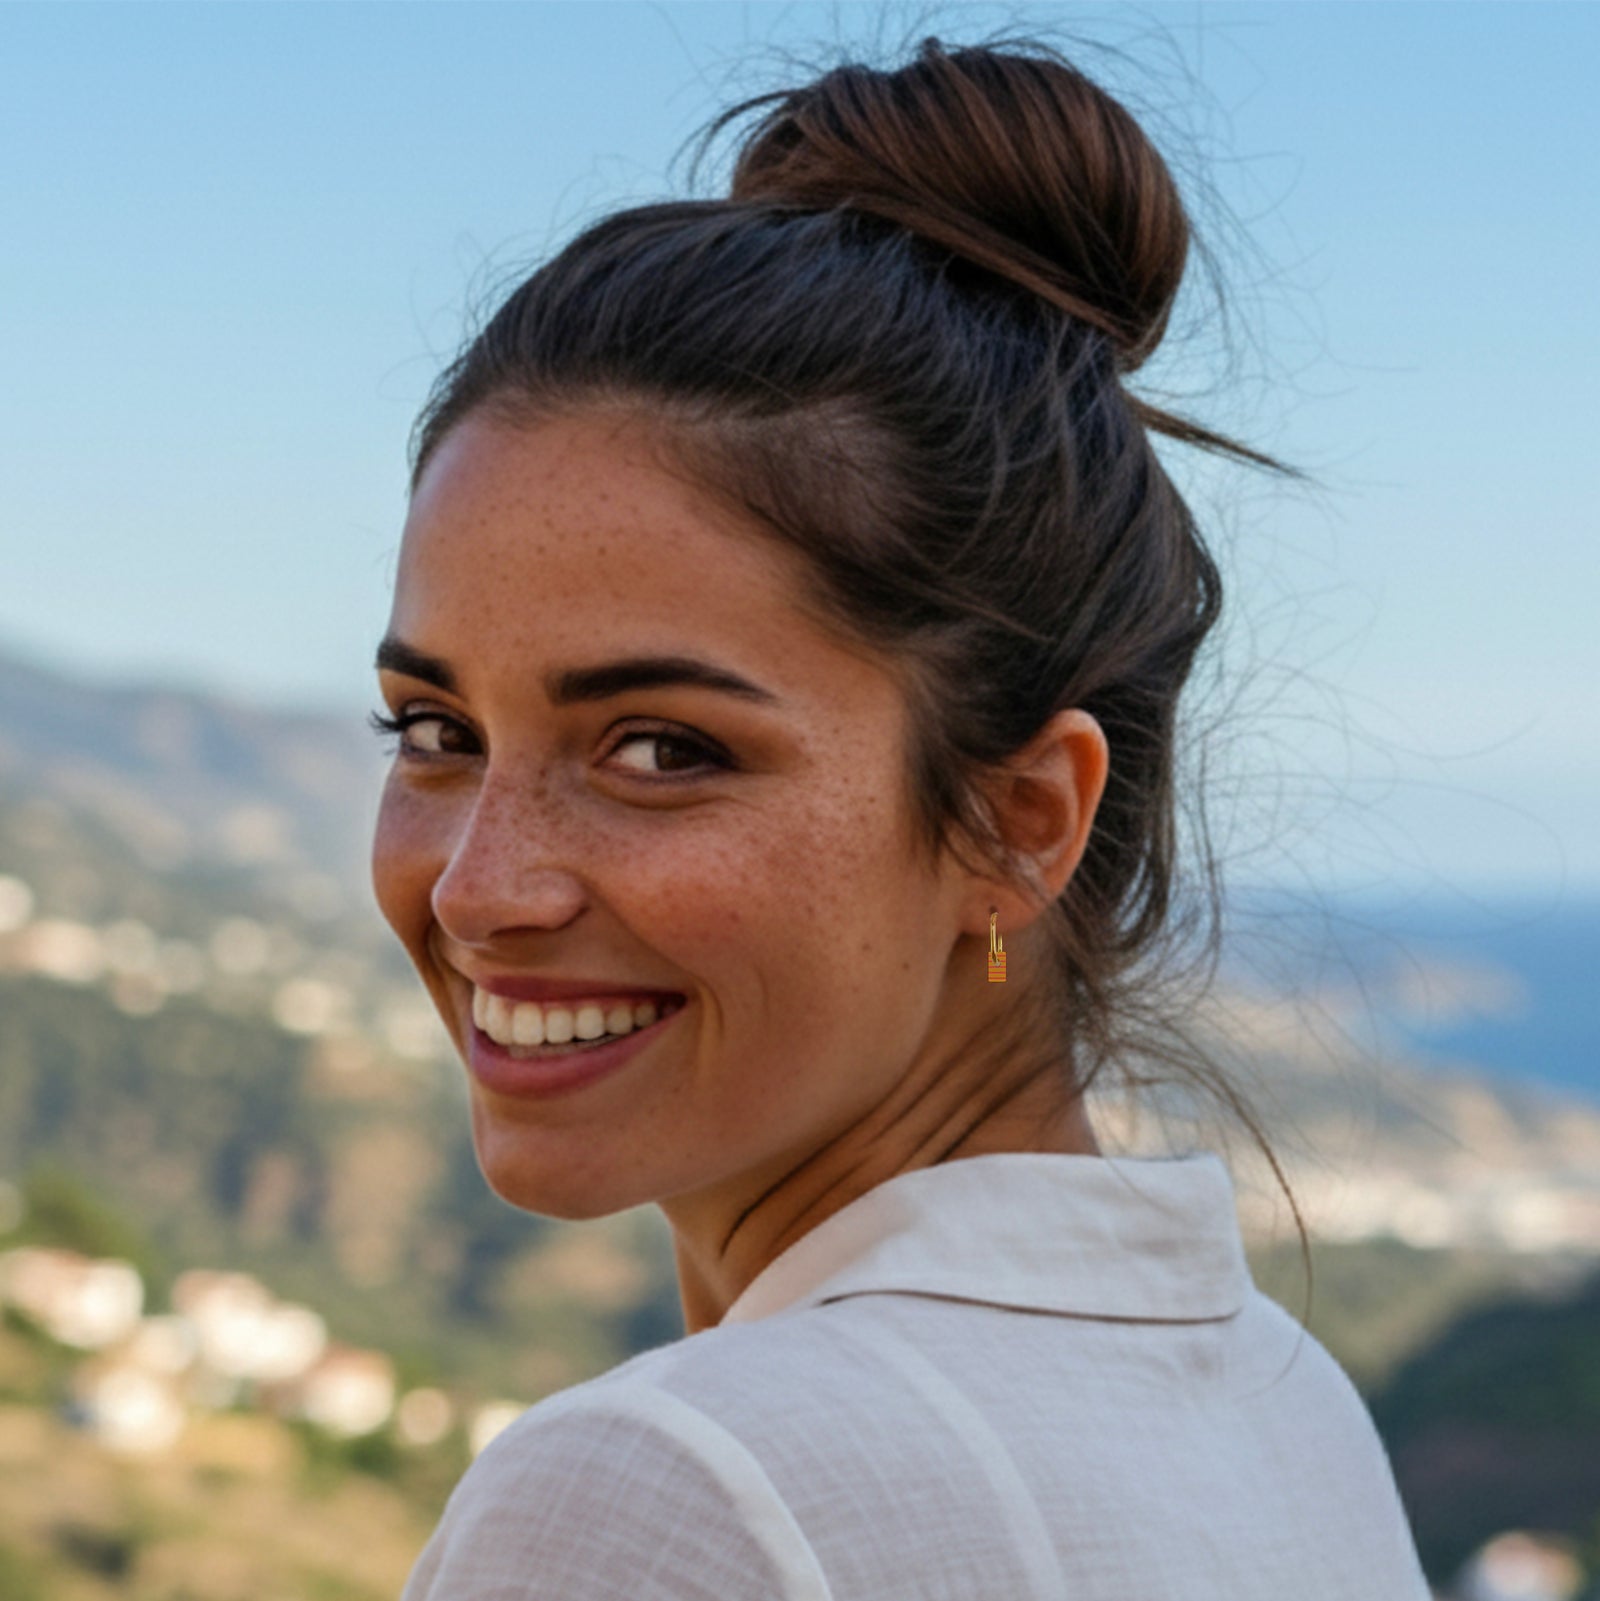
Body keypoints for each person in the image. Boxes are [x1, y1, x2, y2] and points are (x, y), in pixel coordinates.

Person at [370, 36, 1432, 1599]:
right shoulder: (1286, 1407)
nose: (479, 888)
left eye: (661, 748)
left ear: (1016, 822)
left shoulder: (669, 1493)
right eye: (436, 730)